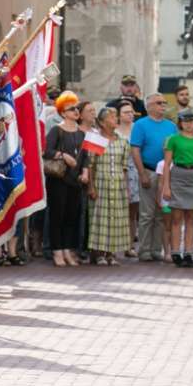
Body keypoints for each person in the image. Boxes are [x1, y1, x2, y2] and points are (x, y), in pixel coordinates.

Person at [130, 93, 178, 261]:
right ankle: (144, 250)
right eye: (159, 103)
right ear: (149, 106)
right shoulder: (140, 125)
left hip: (167, 173)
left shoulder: (171, 126)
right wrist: (142, 173)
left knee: (161, 214)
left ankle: (156, 250)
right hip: (149, 171)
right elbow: (135, 149)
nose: (163, 105)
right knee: (146, 214)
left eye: (164, 102)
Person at [43, 91, 88, 267]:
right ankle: (57, 251)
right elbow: (46, 151)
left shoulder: (81, 133)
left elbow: (85, 156)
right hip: (59, 179)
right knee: (57, 216)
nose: (76, 111)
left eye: (77, 108)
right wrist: (63, 156)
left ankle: (68, 249)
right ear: (62, 112)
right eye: (71, 109)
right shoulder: (57, 130)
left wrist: (85, 173)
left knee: (72, 216)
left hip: (75, 180)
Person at [161, 108, 193, 268]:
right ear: (180, 123)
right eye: (185, 121)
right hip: (178, 174)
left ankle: (188, 253)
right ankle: (175, 251)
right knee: (176, 217)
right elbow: (167, 164)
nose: (189, 124)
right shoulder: (173, 139)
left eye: (192, 121)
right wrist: (166, 187)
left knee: (191, 218)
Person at [86, 106, 130, 265]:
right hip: (101, 182)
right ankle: (98, 254)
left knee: (116, 219)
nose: (115, 120)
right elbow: (90, 165)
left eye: (115, 116)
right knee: (99, 218)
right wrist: (91, 186)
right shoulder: (95, 138)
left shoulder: (123, 140)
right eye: (111, 117)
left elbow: (124, 167)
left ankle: (111, 253)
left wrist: (126, 188)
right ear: (103, 123)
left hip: (117, 183)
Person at [116, 99, 141, 256]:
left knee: (133, 213)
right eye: (126, 112)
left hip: (136, 171)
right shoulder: (114, 130)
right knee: (118, 212)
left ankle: (130, 245)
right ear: (118, 115)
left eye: (131, 112)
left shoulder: (138, 129)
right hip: (118, 172)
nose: (130, 115)